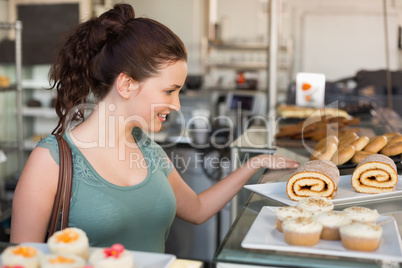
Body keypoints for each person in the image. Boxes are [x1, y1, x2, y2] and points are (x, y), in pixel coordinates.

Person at [10, 3, 299, 252]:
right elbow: (20, 262)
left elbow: (197, 210)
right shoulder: (50, 161)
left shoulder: (148, 149)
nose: (176, 105)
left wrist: (255, 164)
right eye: (169, 91)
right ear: (126, 84)